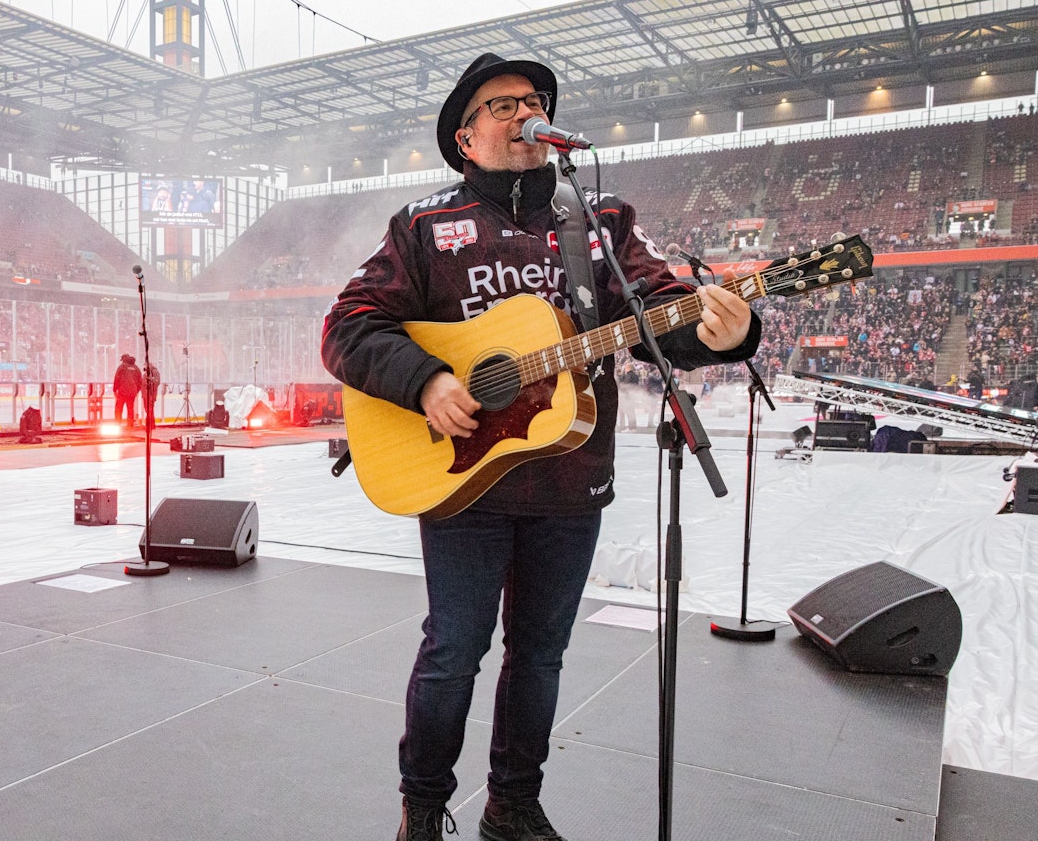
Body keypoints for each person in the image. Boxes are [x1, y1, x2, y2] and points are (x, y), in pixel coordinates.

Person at [319, 53, 761, 841]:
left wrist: (719, 331)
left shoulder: (600, 217)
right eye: (504, 105)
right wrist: (425, 380)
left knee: (541, 655)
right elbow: (347, 325)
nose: (527, 112)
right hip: (464, 476)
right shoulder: (423, 226)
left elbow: (657, 308)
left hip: (569, 476)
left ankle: (512, 806)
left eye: (535, 100)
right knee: (454, 650)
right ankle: (422, 807)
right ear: (466, 137)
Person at [112, 354, 143, 427]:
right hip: (132, 393)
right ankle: (130, 424)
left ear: (123, 359)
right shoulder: (136, 368)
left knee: (119, 408)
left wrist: (115, 389)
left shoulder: (122, 367)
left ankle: (117, 423)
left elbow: (117, 378)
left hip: (122, 392)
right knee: (130, 408)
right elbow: (140, 381)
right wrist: (136, 390)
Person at [143, 360, 161, 426]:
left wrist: (150, 381)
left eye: (145, 365)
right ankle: (151, 424)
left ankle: (150, 424)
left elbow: (157, 382)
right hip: (146, 394)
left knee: (149, 409)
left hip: (151, 394)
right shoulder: (146, 373)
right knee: (148, 409)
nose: (145, 367)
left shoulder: (155, 372)